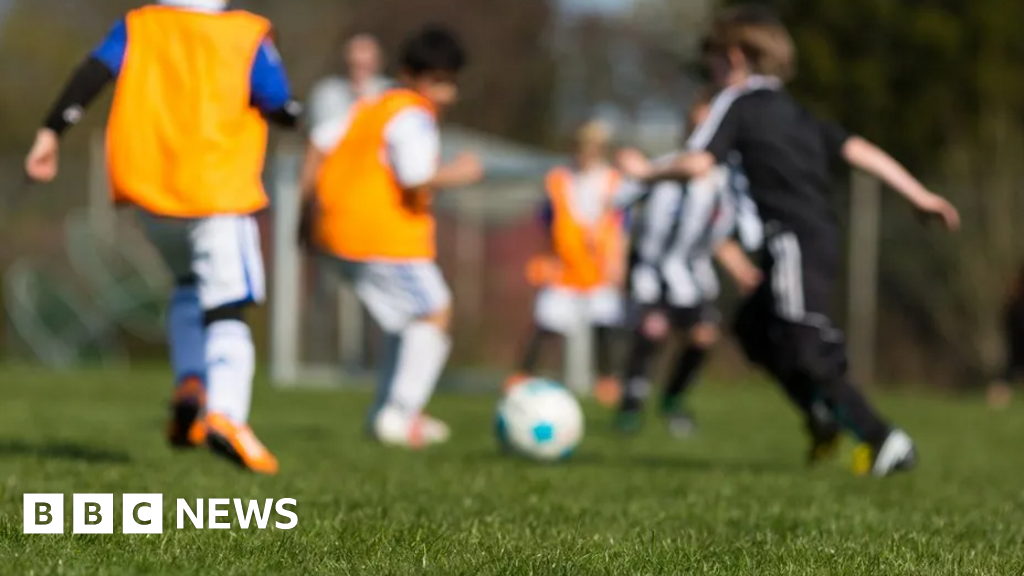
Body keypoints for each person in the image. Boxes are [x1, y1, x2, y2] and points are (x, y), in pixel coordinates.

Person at [616, 6, 960, 476]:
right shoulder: (795, 112)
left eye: (713, 60)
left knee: (803, 339)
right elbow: (859, 150)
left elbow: (699, 162)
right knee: (753, 328)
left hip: (793, 240)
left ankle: (884, 440)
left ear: (735, 56)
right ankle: (821, 415)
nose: (711, 72)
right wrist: (917, 195)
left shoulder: (734, 103)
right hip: (809, 239)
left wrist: (646, 171)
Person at [24, 0, 301, 475]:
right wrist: (289, 109)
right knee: (229, 304)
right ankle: (227, 416)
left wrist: (50, 133)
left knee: (189, 288)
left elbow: (92, 72)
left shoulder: (140, 25)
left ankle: (191, 382)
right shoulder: (245, 34)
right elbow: (282, 107)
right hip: (217, 191)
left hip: (152, 195)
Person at [299, 25, 483, 448]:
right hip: (382, 236)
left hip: (337, 233)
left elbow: (320, 142)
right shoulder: (414, 115)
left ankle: (388, 410)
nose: (444, 93)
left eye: (450, 83)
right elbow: (415, 175)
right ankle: (400, 414)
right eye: (438, 81)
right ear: (411, 75)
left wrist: (306, 215)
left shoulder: (370, 107)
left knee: (406, 322)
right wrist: (463, 172)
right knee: (436, 311)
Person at [612, 90, 763, 436]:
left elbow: (719, 237)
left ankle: (673, 399)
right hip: (652, 270)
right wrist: (616, 258)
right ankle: (631, 407)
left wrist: (742, 270)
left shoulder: (726, 183)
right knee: (653, 330)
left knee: (704, 336)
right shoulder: (664, 167)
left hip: (692, 276)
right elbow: (619, 205)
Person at [506, 120, 627, 407]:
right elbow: (548, 221)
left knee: (605, 325)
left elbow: (622, 224)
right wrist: (546, 256)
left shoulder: (612, 181)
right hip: (564, 266)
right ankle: (522, 377)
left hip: (599, 267)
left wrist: (617, 263)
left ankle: (607, 381)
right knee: (546, 322)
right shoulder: (560, 179)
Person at [300, 34, 390, 196]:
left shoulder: (390, 94)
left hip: (377, 185)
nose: (360, 70)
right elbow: (316, 145)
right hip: (333, 185)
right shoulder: (326, 93)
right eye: (355, 64)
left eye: (366, 64)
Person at [987, 264, 1024, 409]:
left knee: (1009, 371)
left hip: (1015, 345)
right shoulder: (1016, 304)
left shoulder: (1014, 300)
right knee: (1009, 372)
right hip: (1017, 341)